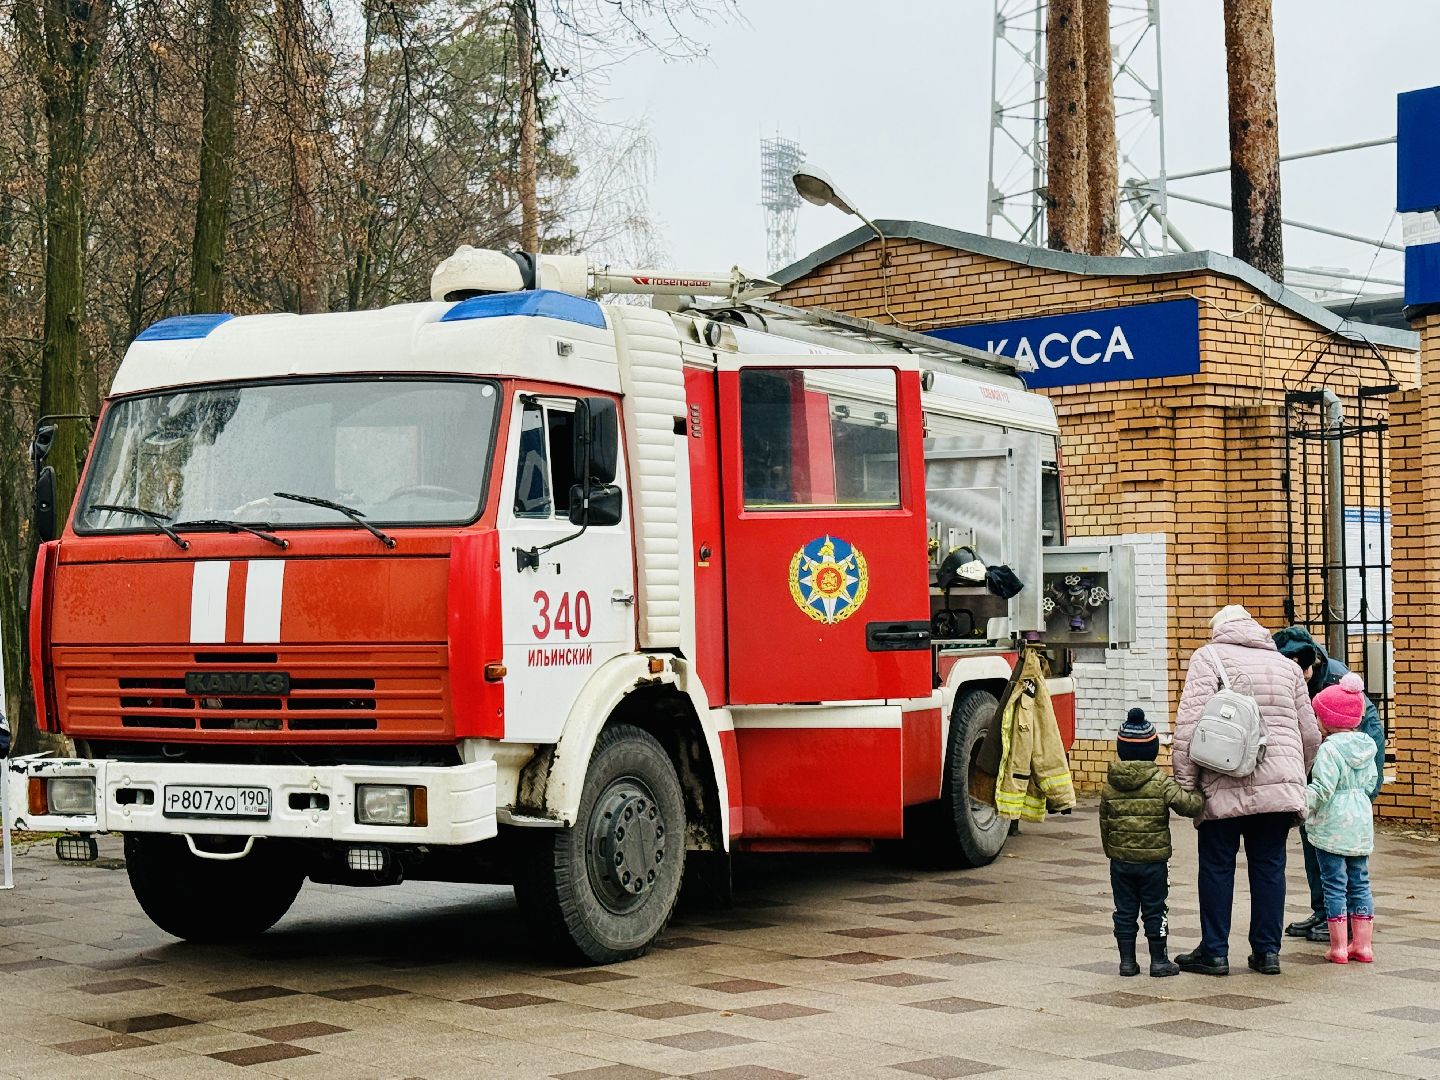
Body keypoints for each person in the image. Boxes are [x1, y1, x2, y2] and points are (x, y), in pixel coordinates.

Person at [1171, 606, 1321, 976]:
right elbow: (1310, 734)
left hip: (1222, 780)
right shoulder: (1287, 666)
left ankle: (1215, 953)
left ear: (1219, 630)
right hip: (1278, 789)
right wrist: (1292, 778)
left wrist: (1187, 785)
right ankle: (1267, 953)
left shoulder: (1208, 657)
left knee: (1217, 866)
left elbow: (1188, 726)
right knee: (1270, 867)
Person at [1272, 625, 1386, 943]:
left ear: (1313, 664)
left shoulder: (1336, 680)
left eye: (1303, 671)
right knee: (1315, 838)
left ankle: (1344, 918)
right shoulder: (1288, 670)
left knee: (1340, 848)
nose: (1300, 678)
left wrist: (1360, 798)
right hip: (1324, 759)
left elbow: (1357, 748)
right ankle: (1324, 912)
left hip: (1345, 762)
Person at [1099, 709, 1205, 977]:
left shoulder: (1110, 784)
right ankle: (1158, 961)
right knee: (1155, 910)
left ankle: (1127, 962)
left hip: (1120, 862)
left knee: (1124, 910)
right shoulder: (1159, 782)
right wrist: (1202, 791)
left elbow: (1105, 823)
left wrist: (1112, 851)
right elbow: (1188, 805)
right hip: (1153, 863)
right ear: (1153, 750)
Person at [1305, 673, 1379, 964]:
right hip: (1360, 820)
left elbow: (1322, 788)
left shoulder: (1329, 749)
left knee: (1334, 883)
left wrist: (1304, 804)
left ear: (1327, 719)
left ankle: (1337, 948)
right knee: (1360, 881)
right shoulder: (1366, 747)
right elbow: (1372, 781)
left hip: (1332, 824)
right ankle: (1363, 945)